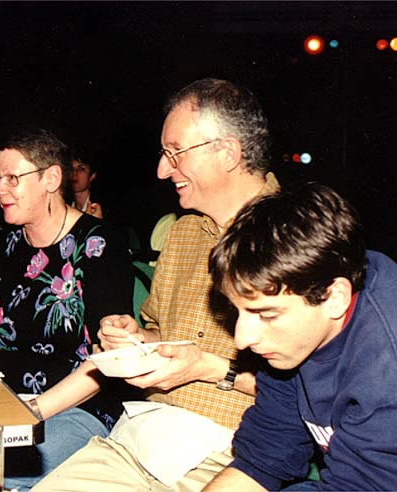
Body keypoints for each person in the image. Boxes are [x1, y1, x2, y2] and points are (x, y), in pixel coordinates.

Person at [34, 78, 280, 491]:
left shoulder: (293, 238)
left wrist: (213, 369)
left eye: (175, 153)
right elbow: (161, 333)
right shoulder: (183, 233)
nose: (163, 170)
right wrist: (135, 338)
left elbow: (315, 392)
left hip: (231, 449)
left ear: (228, 153)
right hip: (143, 437)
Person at [0, 128, 140, 489]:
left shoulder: (98, 244)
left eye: (12, 178)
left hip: (77, 408)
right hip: (4, 403)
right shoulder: (0, 248)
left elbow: (107, 360)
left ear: (51, 178)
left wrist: (30, 412)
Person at [204, 183, 397, 491]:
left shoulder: (386, 366)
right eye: (237, 311)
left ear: (335, 298)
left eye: (267, 315)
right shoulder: (294, 343)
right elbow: (262, 460)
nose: (242, 339)